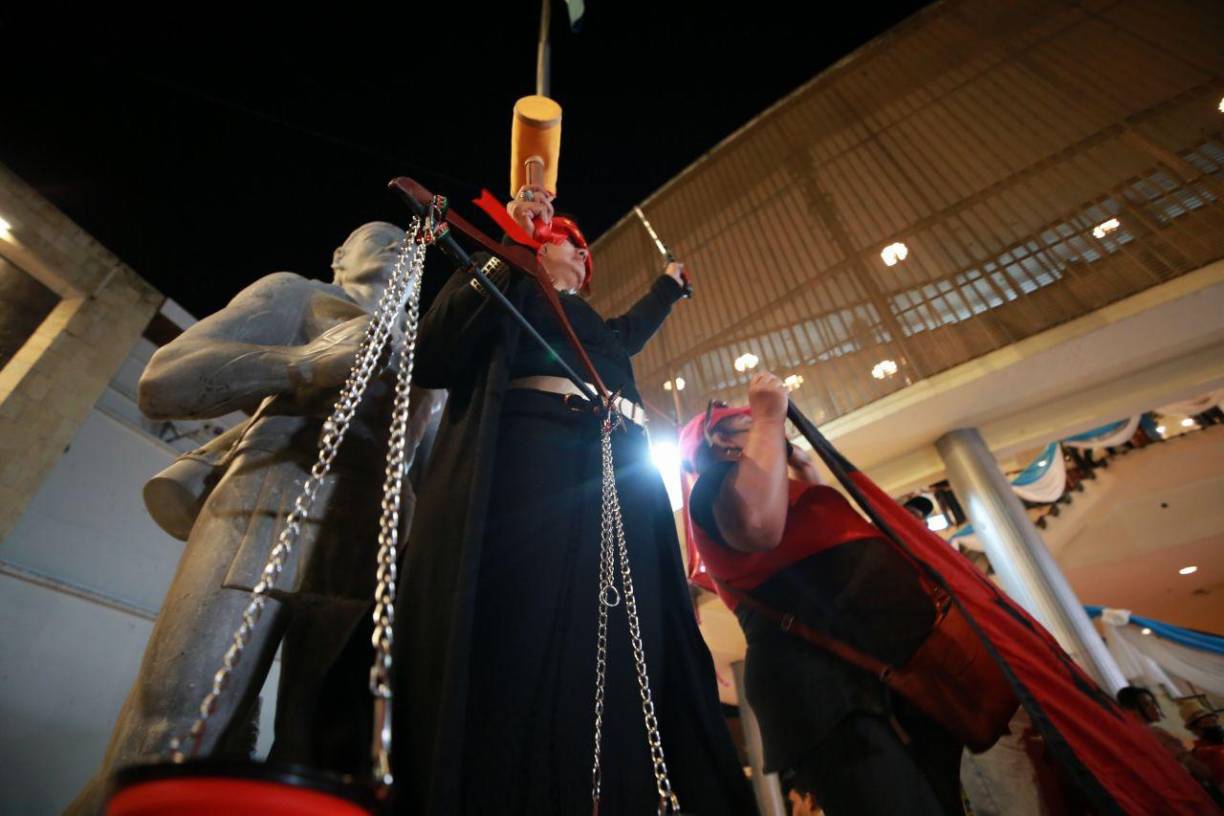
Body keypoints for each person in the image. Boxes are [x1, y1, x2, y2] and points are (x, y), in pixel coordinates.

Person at [389, 184, 754, 814]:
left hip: (627, 473)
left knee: (639, 637)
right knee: (536, 622)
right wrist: (511, 248)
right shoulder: (508, 287)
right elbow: (437, 347)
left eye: (587, 252)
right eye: (569, 243)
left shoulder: (597, 329)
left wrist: (669, 285)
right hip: (542, 457)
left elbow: (633, 329)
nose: (584, 258)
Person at [67, 223, 446, 815]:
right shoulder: (296, 295)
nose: (401, 243)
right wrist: (304, 363)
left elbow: (433, 478)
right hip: (261, 507)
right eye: (381, 235)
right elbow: (164, 379)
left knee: (319, 757)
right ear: (340, 254)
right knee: (183, 730)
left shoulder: (428, 360)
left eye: (408, 241)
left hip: (367, 551)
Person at [680, 371, 964, 816]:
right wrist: (770, 414)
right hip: (825, 693)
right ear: (722, 444)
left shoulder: (790, 494)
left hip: (880, 676)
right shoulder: (715, 487)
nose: (772, 435)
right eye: (748, 426)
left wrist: (805, 469)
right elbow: (759, 524)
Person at [1180, 698, 1224, 791]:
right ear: (1195, 730)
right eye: (1207, 723)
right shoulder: (1201, 754)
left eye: (1214, 721)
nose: (1214, 725)